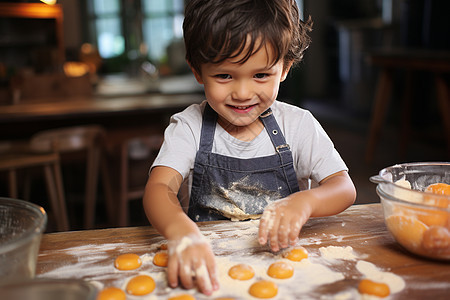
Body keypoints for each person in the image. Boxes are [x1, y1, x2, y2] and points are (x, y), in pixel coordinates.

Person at [143, 0, 356, 295]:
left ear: (284, 68)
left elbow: (343, 188)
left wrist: (306, 203)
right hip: (208, 271)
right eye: (224, 76)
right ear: (197, 71)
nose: (242, 94)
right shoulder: (189, 127)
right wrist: (181, 232)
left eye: (260, 75)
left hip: (286, 273)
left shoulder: (298, 125)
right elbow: (159, 189)